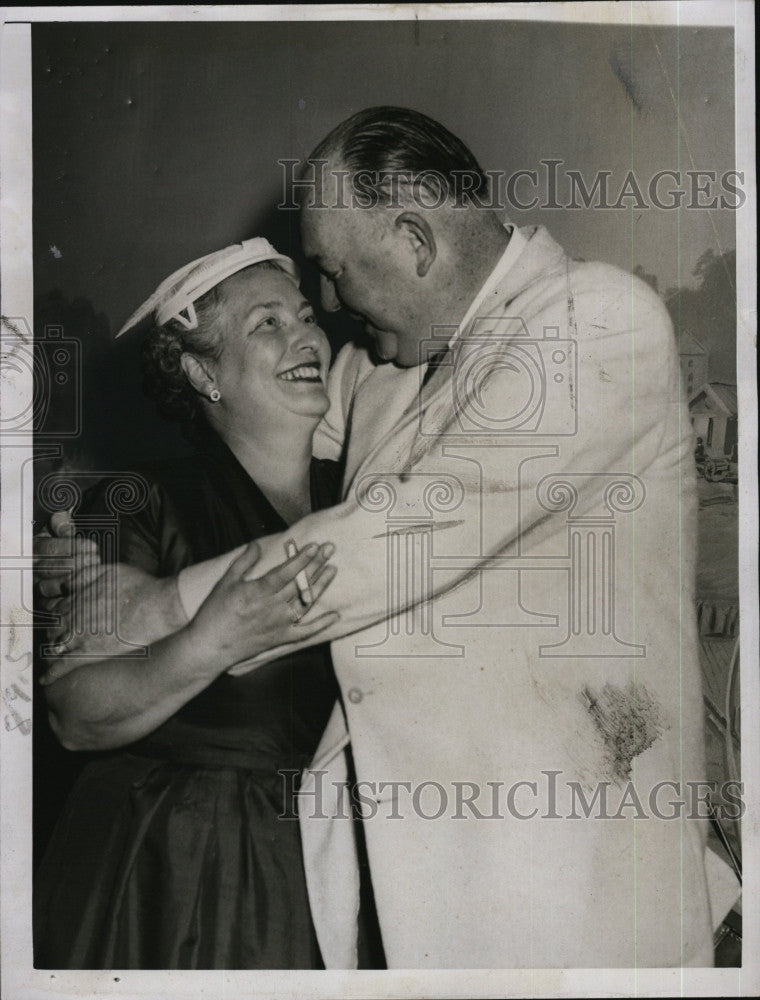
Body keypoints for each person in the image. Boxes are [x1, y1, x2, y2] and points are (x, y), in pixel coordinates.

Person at [38, 108, 716, 968]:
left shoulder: (597, 321)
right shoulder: (390, 370)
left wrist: (158, 603)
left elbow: (400, 529)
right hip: (407, 889)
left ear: (415, 241)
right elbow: (263, 428)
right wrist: (76, 557)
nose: (325, 310)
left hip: (573, 877)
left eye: (330, 274)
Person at [33, 239, 345, 969]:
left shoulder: (354, 494)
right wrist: (212, 641)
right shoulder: (138, 500)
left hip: (329, 846)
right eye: (266, 323)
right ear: (203, 371)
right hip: (181, 865)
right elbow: (74, 715)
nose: (306, 336)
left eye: (304, 315)